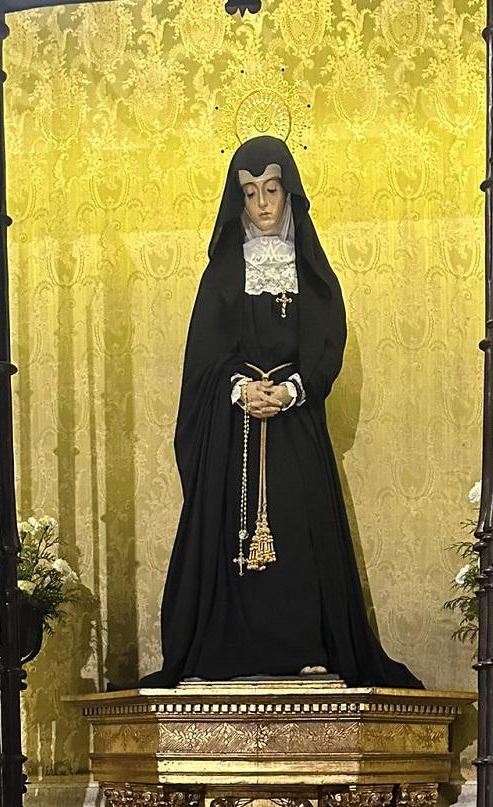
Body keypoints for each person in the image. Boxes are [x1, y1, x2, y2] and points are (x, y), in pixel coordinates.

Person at [140, 135, 422, 689]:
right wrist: (237, 387)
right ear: (238, 201)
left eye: (271, 189)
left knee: (300, 531)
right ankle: (230, 651)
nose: (263, 204)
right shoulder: (223, 271)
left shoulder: (310, 271)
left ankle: (304, 645)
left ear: (288, 193)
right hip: (234, 428)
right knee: (230, 534)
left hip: (294, 422)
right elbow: (202, 353)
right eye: (250, 193)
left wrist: (294, 389)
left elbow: (326, 341)